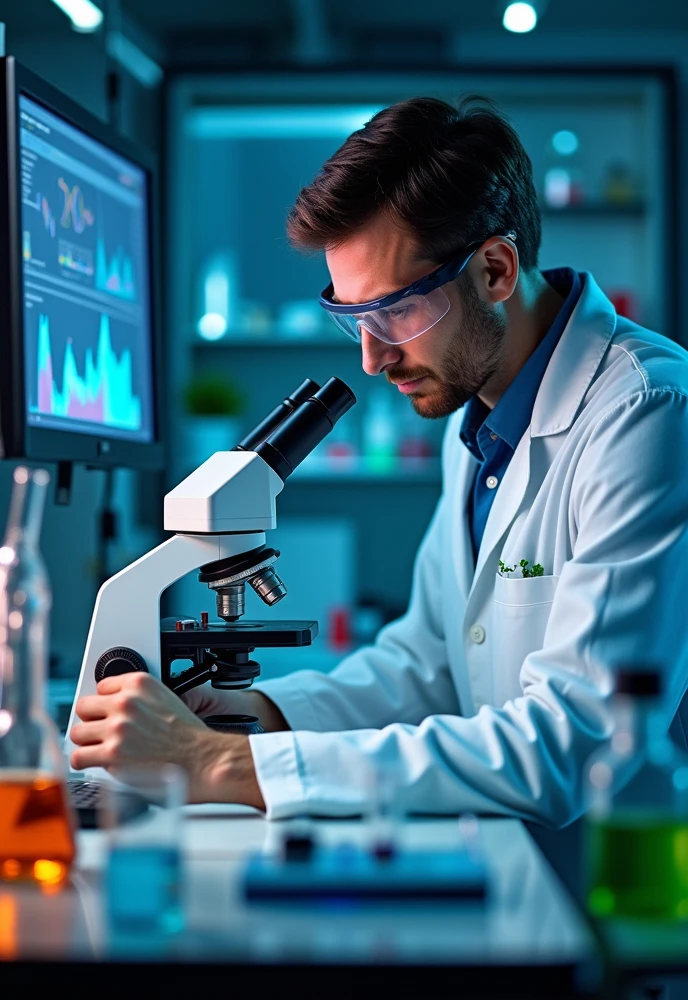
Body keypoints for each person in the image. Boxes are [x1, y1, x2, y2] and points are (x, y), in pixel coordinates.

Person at [70, 96, 688, 830]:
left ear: (494, 270)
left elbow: (573, 741)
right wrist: (253, 716)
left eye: (394, 311)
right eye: (353, 316)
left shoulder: (646, 412)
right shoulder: (484, 413)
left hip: (621, 891)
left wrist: (217, 765)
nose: (371, 358)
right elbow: (425, 663)